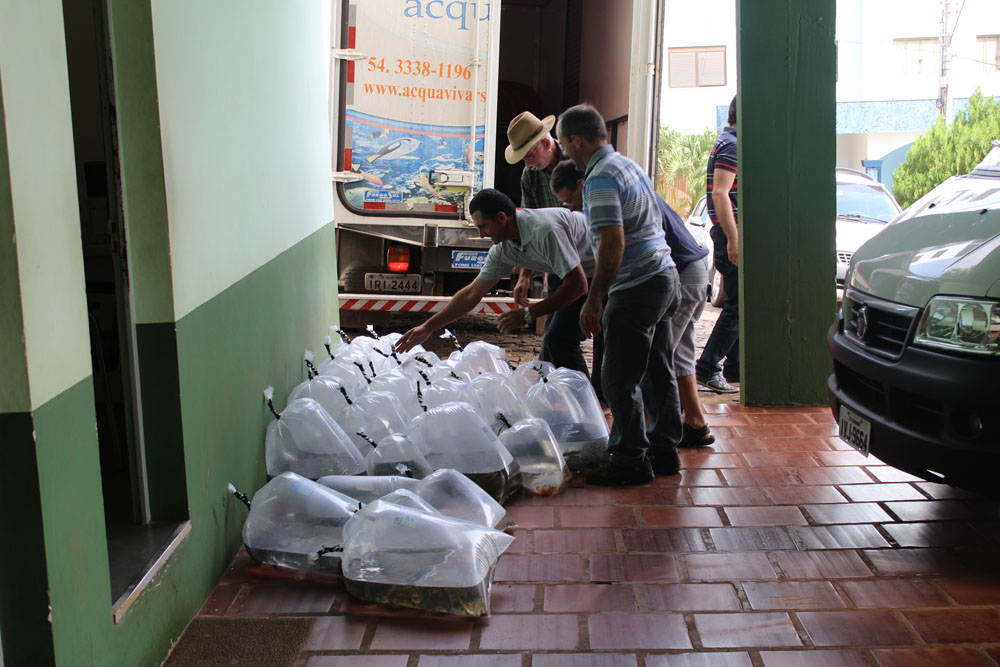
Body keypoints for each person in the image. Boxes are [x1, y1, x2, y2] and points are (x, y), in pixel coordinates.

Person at [555, 103, 682, 486]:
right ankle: (664, 451)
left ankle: (629, 461)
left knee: (616, 379)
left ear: (577, 140)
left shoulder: (600, 178)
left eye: (563, 143)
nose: (564, 151)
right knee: (657, 371)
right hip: (663, 275)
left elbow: (612, 243)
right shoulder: (628, 165)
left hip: (637, 286)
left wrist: (595, 299)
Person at [552, 160, 715, 448]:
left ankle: (650, 441)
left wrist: (597, 297)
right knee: (676, 358)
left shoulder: (608, 197)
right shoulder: (627, 188)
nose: (573, 208)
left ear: (581, 184)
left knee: (646, 367)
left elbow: (614, 249)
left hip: (676, 274)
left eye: (570, 200)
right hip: (690, 270)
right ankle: (694, 424)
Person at [395, 189, 593, 377]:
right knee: (550, 342)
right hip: (574, 268)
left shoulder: (546, 229)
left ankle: (586, 396)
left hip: (602, 267)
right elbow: (472, 294)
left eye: (483, 226)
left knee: (560, 339)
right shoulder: (503, 249)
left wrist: (528, 314)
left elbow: (578, 285)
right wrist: (428, 327)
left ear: (501, 217)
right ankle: (557, 392)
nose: (482, 235)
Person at [695, 96, 740, 394]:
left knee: (740, 304)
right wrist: (734, 239)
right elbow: (720, 194)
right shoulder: (732, 146)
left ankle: (735, 367)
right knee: (738, 307)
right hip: (729, 235)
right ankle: (708, 367)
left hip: (728, 234)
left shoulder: (727, 143)